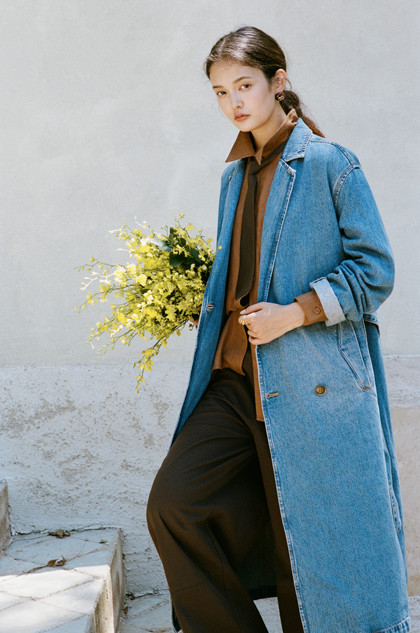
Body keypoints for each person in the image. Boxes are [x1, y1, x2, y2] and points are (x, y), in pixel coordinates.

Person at [147, 26, 410, 633]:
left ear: (278, 81)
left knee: (306, 547)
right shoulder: (233, 176)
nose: (233, 102)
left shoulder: (329, 163)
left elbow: (375, 270)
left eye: (244, 85)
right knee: (174, 504)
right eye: (221, 92)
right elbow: (244, 273)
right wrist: (198, 298)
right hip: (233, 382)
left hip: (307, 383)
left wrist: (295, 312)